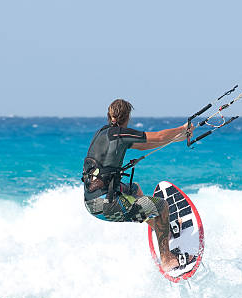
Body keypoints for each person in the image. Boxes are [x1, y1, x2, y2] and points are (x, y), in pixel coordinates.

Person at [83, 99, 194, 271]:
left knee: (134, 189)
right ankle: (166, 258)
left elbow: (145, 145)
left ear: (109, 115)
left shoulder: (102, 133)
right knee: (162, 206)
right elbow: (157, 136)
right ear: (127, 117)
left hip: (92, 200)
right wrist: (182, 128)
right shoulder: (120, 134)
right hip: (105, 205)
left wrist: (178, 138)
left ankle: (162, 229)